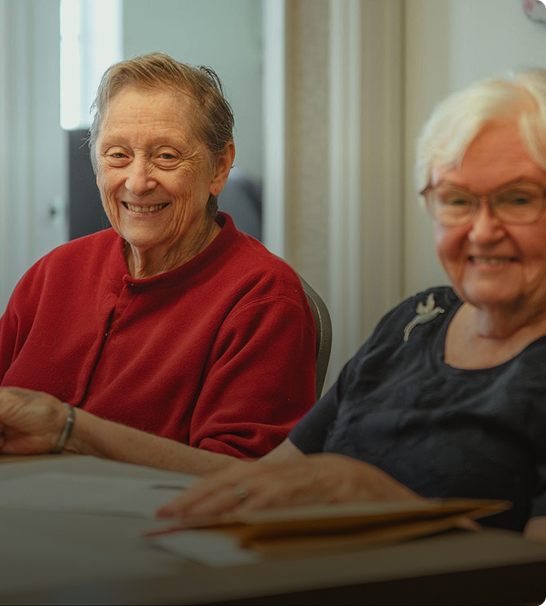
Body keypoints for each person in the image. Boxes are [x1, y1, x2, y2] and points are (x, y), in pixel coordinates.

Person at [159, 68, 546, 541]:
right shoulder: (417, 321)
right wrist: (76, 432)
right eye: (457, 200)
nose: (483, 232)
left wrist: (389, 507)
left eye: (519, 198)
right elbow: (268, 480)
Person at [0, 53, 317, 474]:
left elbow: (252, 479)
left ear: (219, 166)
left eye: (166, 157)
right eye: (118, 155)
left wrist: (73, 431)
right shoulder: (54, 272)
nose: (137, 183)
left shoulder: (262, 296)